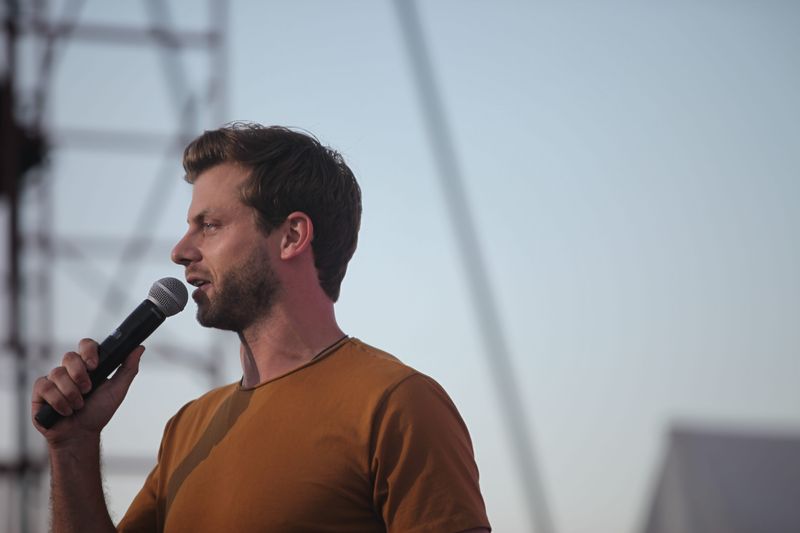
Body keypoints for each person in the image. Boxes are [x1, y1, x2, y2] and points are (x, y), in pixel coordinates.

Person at [31, 123, 491, 532]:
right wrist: (72, 446)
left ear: (291, 236)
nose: (180, 250)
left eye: (209, 225)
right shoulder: (188, 428)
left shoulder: (397, 403)